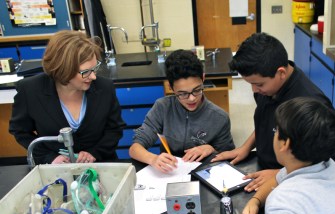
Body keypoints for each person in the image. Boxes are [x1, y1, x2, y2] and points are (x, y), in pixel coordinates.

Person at [211, 32, 335, 192]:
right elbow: (267, 122)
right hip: (265, 168)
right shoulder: (267, 89)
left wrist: (280, 174)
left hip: (292, 184)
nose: (254, 90)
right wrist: (246, 147)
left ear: (281, 72)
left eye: (259, 84)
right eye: (251, 84)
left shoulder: (311, 103)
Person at [9, 30, 125, 165]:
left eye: (95, 68)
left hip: (101, 164)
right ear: (64, 69)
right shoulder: (30, 90)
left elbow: (114, 129)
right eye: (86, 72)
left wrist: (94, 153)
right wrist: (49, 157)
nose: (93, 76)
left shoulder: (104, 87)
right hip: (56, 171)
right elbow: (20, 131)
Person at [129, 49, 235, 173]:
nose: (192, 98)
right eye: (183, 94)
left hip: (205, 174)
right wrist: (153, 159)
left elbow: (229, 155)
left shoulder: (219, 117)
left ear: (203, 78)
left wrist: (211, 149)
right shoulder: (162, 108)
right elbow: (135, 148)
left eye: (197, 90)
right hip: (170, 173)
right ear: (170, 87)